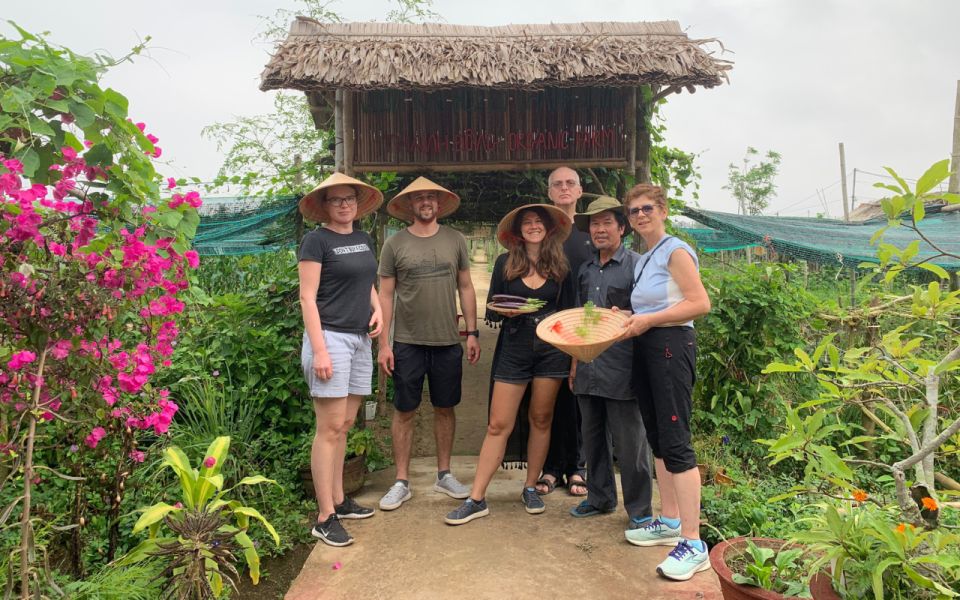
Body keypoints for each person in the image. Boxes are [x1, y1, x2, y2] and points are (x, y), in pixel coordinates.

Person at [445, 204, 572, 525]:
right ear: (518, 231)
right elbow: (493, 306)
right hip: (514, 346)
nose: (533, 226)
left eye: (538, 222)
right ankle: (476, 497)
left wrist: (574, 360)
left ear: (549, 229)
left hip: (552, 349)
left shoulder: (560, 265)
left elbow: (568, 312)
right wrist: (505, 312)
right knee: (497, 424)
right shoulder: (505, 262)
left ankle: (530, 486)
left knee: (541, 418)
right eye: (527, 223)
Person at [619, 184, 712, 581]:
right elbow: (652, 306)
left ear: (662, 211)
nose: (639, 216)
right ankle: (670, 521)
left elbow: (699, 303)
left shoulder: (675, 249)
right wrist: (625, 314)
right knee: (657, 435)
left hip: (672, 345)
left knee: (676, 440)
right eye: (633, 211)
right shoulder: (643, 260)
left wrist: (647, 320)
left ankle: (693, 543)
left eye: (646, 209)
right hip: (647, 346)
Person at [376, 176, 481, 511]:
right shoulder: (395, 245)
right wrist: (384, 344)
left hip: (447, 340)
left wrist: (473, 332)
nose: (425, 202)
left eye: (430, 198)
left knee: (445, 407)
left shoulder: (455, 240)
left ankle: (444, 473)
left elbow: (465, 287)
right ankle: (401, 481)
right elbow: (386, 294)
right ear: (410, 205)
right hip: (407, 341)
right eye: (419, 198)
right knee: (404, 409)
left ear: (438, 204)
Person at [298, 172, 384, 547]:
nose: (345, 204)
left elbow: (366, 282)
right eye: (337, 200)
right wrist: (319, 350)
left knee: (346, 424)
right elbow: (307, 298)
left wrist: (377, 308)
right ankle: (324, 516)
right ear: (325, 206)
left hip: (359, 339)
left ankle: (339, 500)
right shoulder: (316, 241)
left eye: (350, 198)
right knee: (329, 429)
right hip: (330, 338)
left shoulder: (363, 239)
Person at [567, 197, 653, 528]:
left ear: (621, 228)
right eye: (594, 224)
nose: (600, 229)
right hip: (589, 364)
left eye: (607, 223)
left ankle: (640, 511)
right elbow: (578, 319)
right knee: (593, 437)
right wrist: (575, 362)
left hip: (624, 366)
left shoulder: (636, 265)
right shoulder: (586, 270)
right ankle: (599, 498)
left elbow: (648, 313)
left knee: (630, 442)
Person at [535, 166, 593, 497]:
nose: (564, 188)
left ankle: (578, 466)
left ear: (580, 191)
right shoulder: (542, 234)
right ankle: (552, 467)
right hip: (547, 329)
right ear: (549, 193)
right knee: (549, 401)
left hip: (584, 329)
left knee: (580, 399)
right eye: (557, 184)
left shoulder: (589, 234)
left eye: (570, 183)